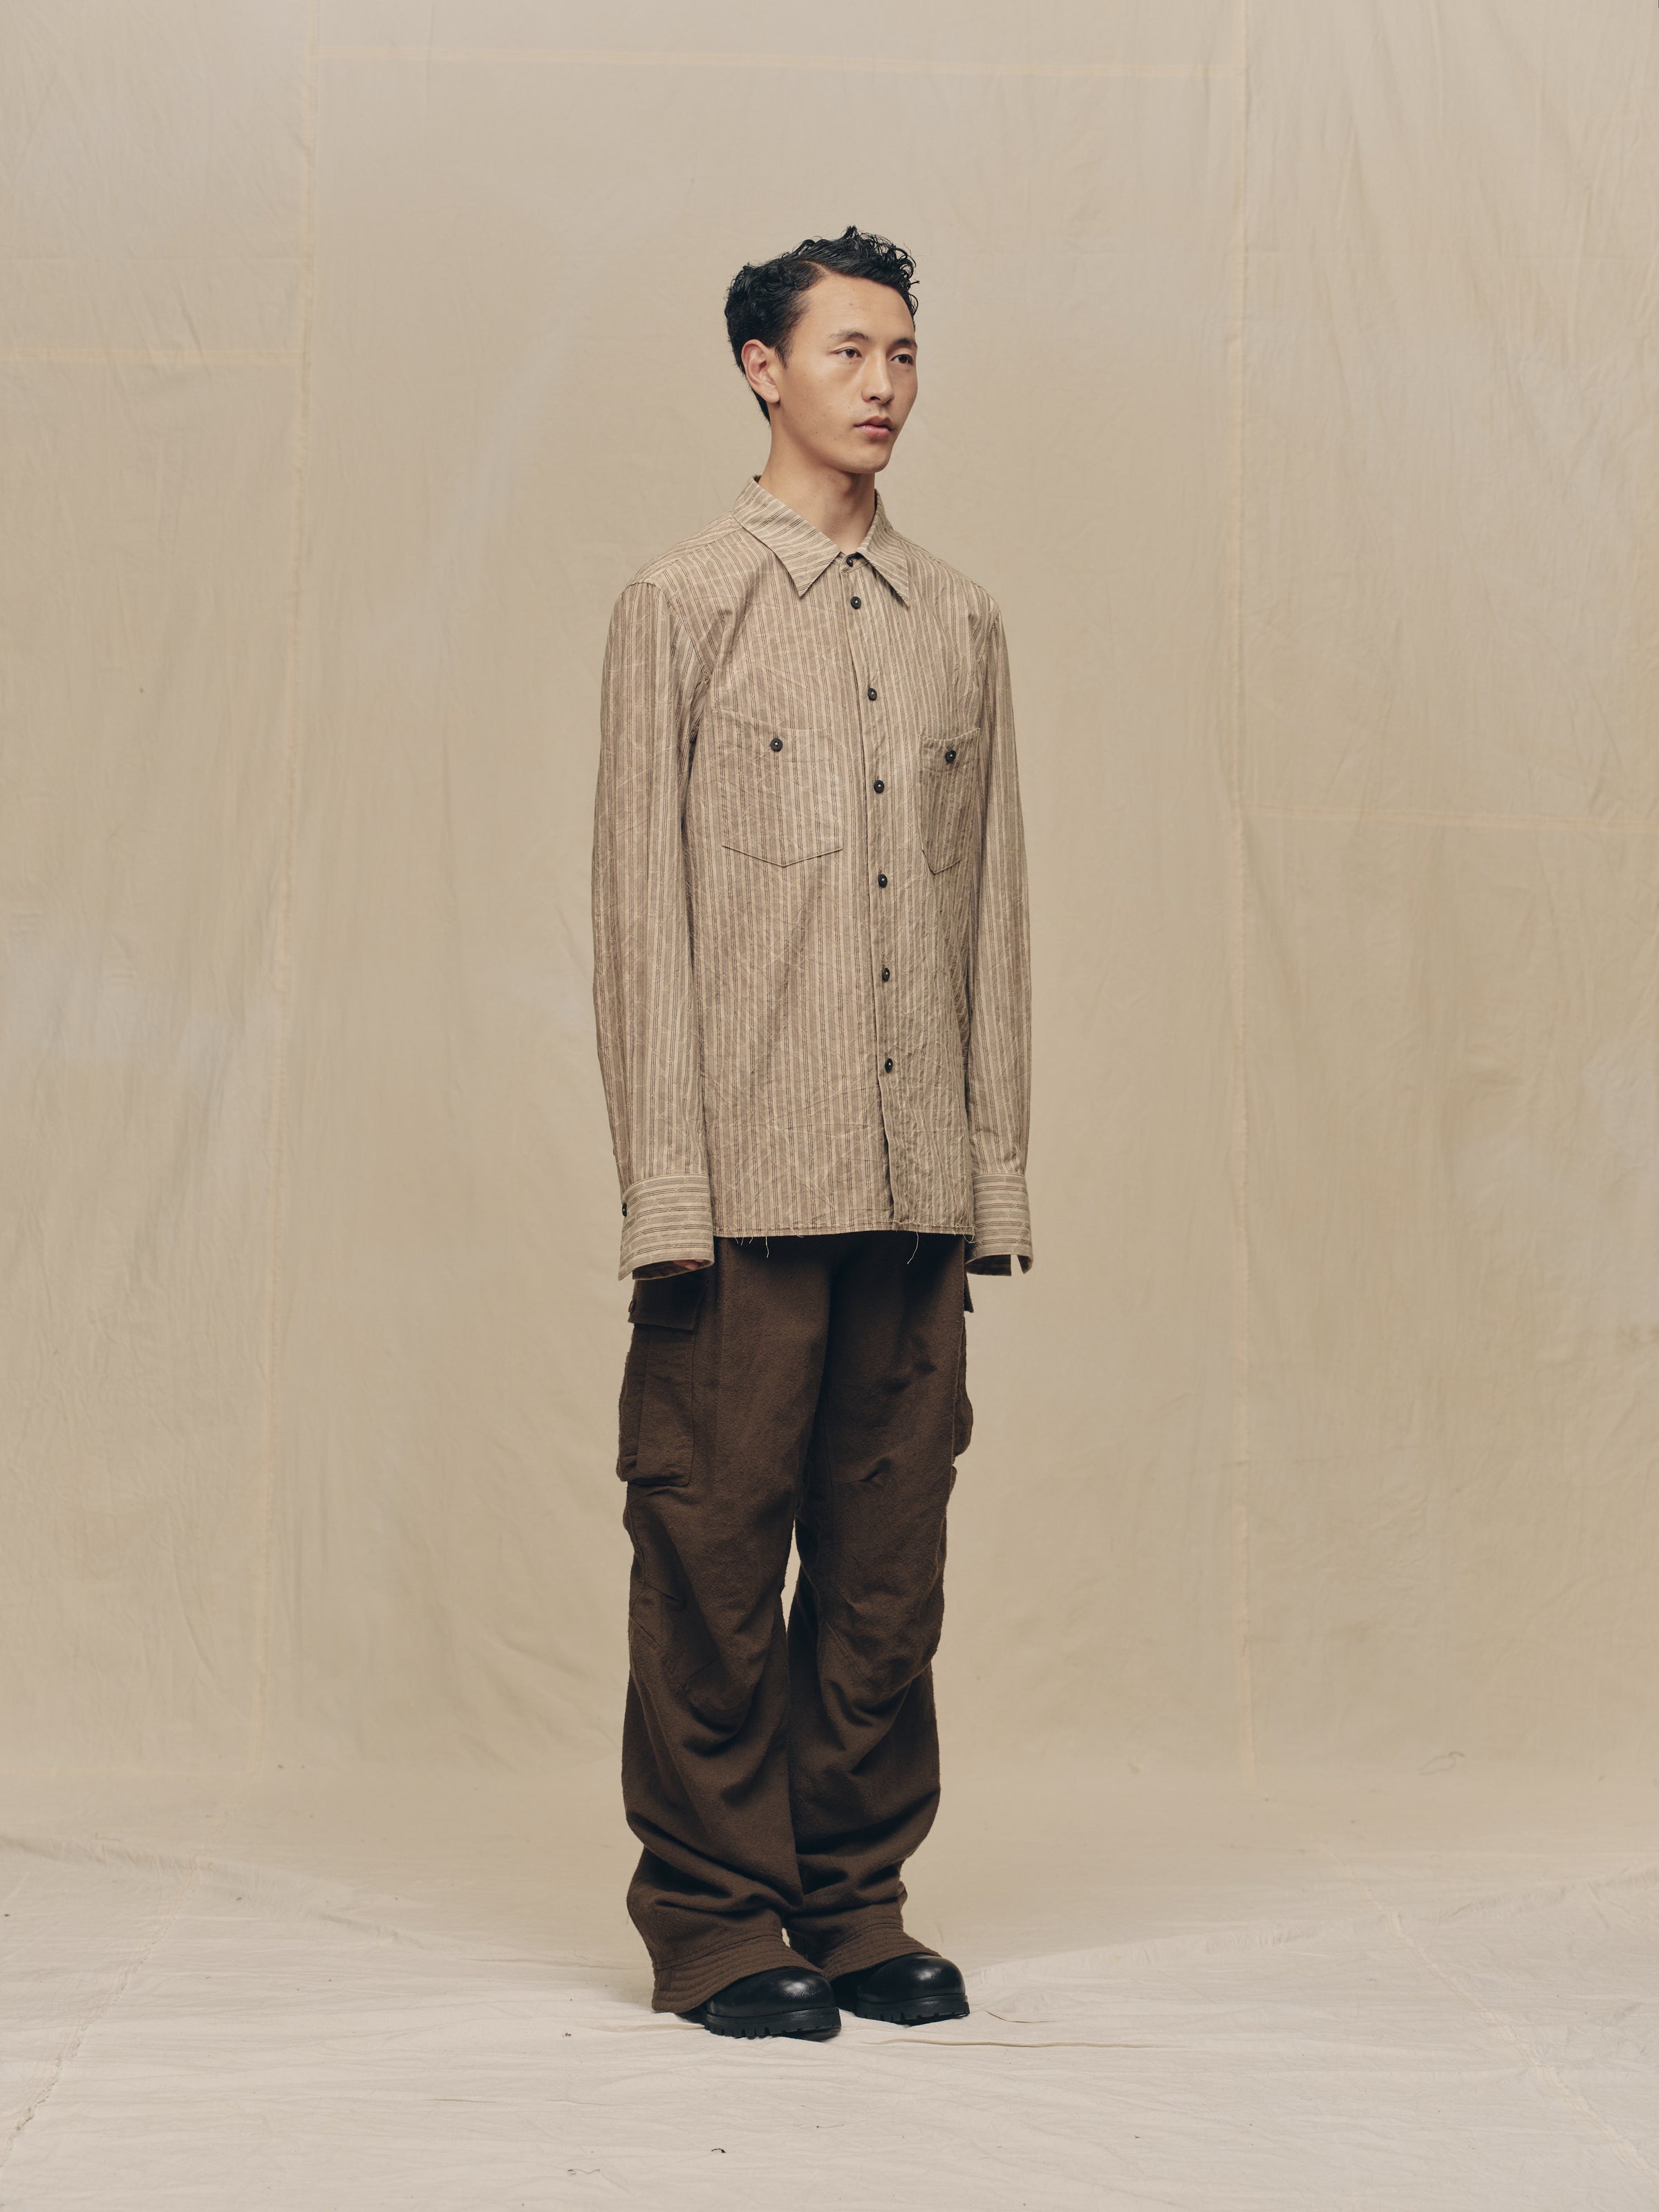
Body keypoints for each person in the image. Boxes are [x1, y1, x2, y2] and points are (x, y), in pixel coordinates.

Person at [590, 225, 1033, 2041]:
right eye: (849, 350)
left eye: (905, 353)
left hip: (913, 1189)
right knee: (710, 1555)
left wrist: (991, 1180)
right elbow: (639, 921)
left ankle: (854, 1902)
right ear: (761, 369)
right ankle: (714, 1920)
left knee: (886, 1568)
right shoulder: (680, 604)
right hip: (742, 1194)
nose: (884, 384)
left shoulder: (964, 624)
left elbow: (993, 919)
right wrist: (666, 1196)